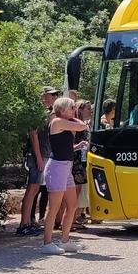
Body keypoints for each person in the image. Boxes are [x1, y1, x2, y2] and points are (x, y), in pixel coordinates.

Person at [40, 96, 88, 254]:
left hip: (66, 167)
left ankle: (65, 240)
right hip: (57, 168)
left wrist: (77, 146)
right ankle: (47, 243)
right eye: (71, 107)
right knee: (54, 207)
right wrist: (74, 117)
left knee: (72, 205)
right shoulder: (57, 121)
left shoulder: (65, 123)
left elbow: (64, 146)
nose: (74, 110)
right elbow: (82, 126)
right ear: (62, 109)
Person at [16, 86, 57, 236]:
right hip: (36, 157)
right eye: (50, 95)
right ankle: (23, 224)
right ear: (43, 96)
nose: (53, 97)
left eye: (54, 95)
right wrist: (39, 158)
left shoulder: (48, 114)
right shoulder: (37, 114)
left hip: (44, 156)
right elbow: (33, 135)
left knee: (35, 190)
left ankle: (28, 223)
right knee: (31, 190)